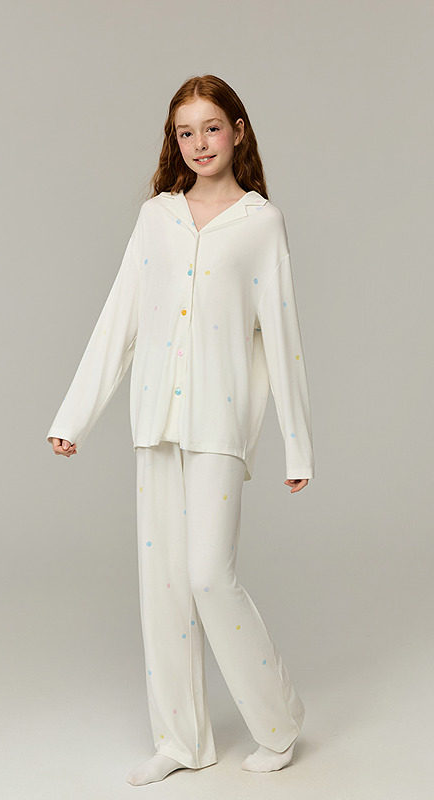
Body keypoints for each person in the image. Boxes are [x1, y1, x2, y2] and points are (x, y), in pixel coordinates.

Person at [46, 74, 315, 786]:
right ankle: (180, 740)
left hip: (220, 421)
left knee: (207, 577)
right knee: (163, 584)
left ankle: (280, 722)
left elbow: (281, 335)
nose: (199, 143)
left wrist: (297, 444)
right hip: (155, 419)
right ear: (175, 140)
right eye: (185, 132)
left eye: (211, 127)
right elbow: (120, 319)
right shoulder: (155, 218)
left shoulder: (260, 223)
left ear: (238, 130)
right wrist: (75, 416)